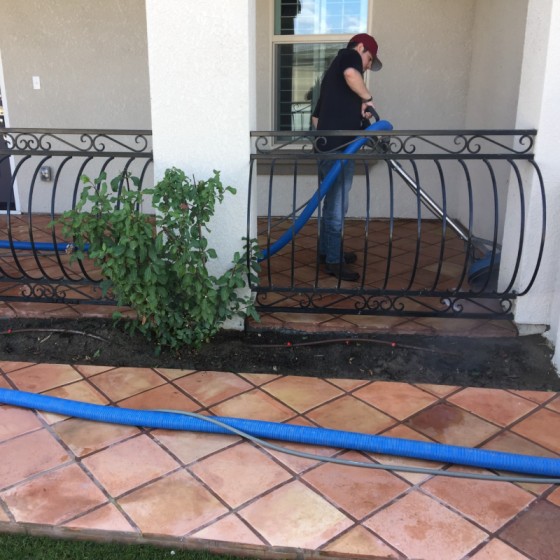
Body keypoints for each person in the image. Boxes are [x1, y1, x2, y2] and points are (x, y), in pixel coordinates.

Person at [311, 33, 382, 281]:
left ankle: (327, 251)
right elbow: (352, 74)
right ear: (360, 47)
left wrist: (357, 115)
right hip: (339, 151)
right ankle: (333, 262)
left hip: (327, 148)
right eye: (369, 59)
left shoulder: (331, 78)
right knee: (337, 206)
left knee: (331, 203)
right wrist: (368, 98)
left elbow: (316, 118)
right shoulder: (348, 56)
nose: (367, 66)